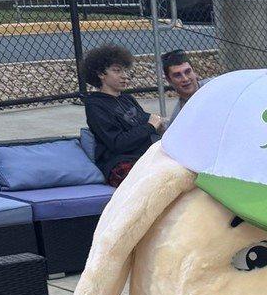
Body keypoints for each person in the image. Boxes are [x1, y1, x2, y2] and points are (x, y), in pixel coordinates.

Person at [81, 43, 163, 187]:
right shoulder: (95, 105)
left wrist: (159, 126)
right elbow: (118, 143)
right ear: (101, 74)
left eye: (125, 70)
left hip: (145, 158)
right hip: (119, 163)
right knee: (151, 182)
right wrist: (150, 126)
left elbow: (148, 121)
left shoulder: (127, 99)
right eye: (117, 71)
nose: (125, 76)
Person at [161, 49, 200, 126]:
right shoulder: (177, 120)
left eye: (187, 72)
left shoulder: (216, 88)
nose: (185, 79)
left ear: (194, 72)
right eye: (177, 75)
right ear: (169, 80)